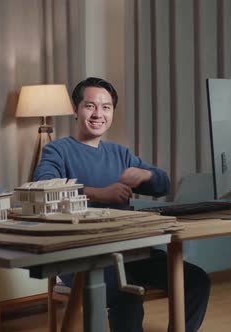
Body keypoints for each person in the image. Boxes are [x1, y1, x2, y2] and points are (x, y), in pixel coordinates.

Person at [33, 77, 210, 332]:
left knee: (196, 280)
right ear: (75, 109)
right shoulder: (57, 151)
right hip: (83, 256)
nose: (98, 114)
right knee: (126, 293)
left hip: (132, 250)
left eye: (106, 107)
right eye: (90, 106)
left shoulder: (121, 153)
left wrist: (146, 176)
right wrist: (98, 194)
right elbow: (43, 187)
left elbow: (163, 184)